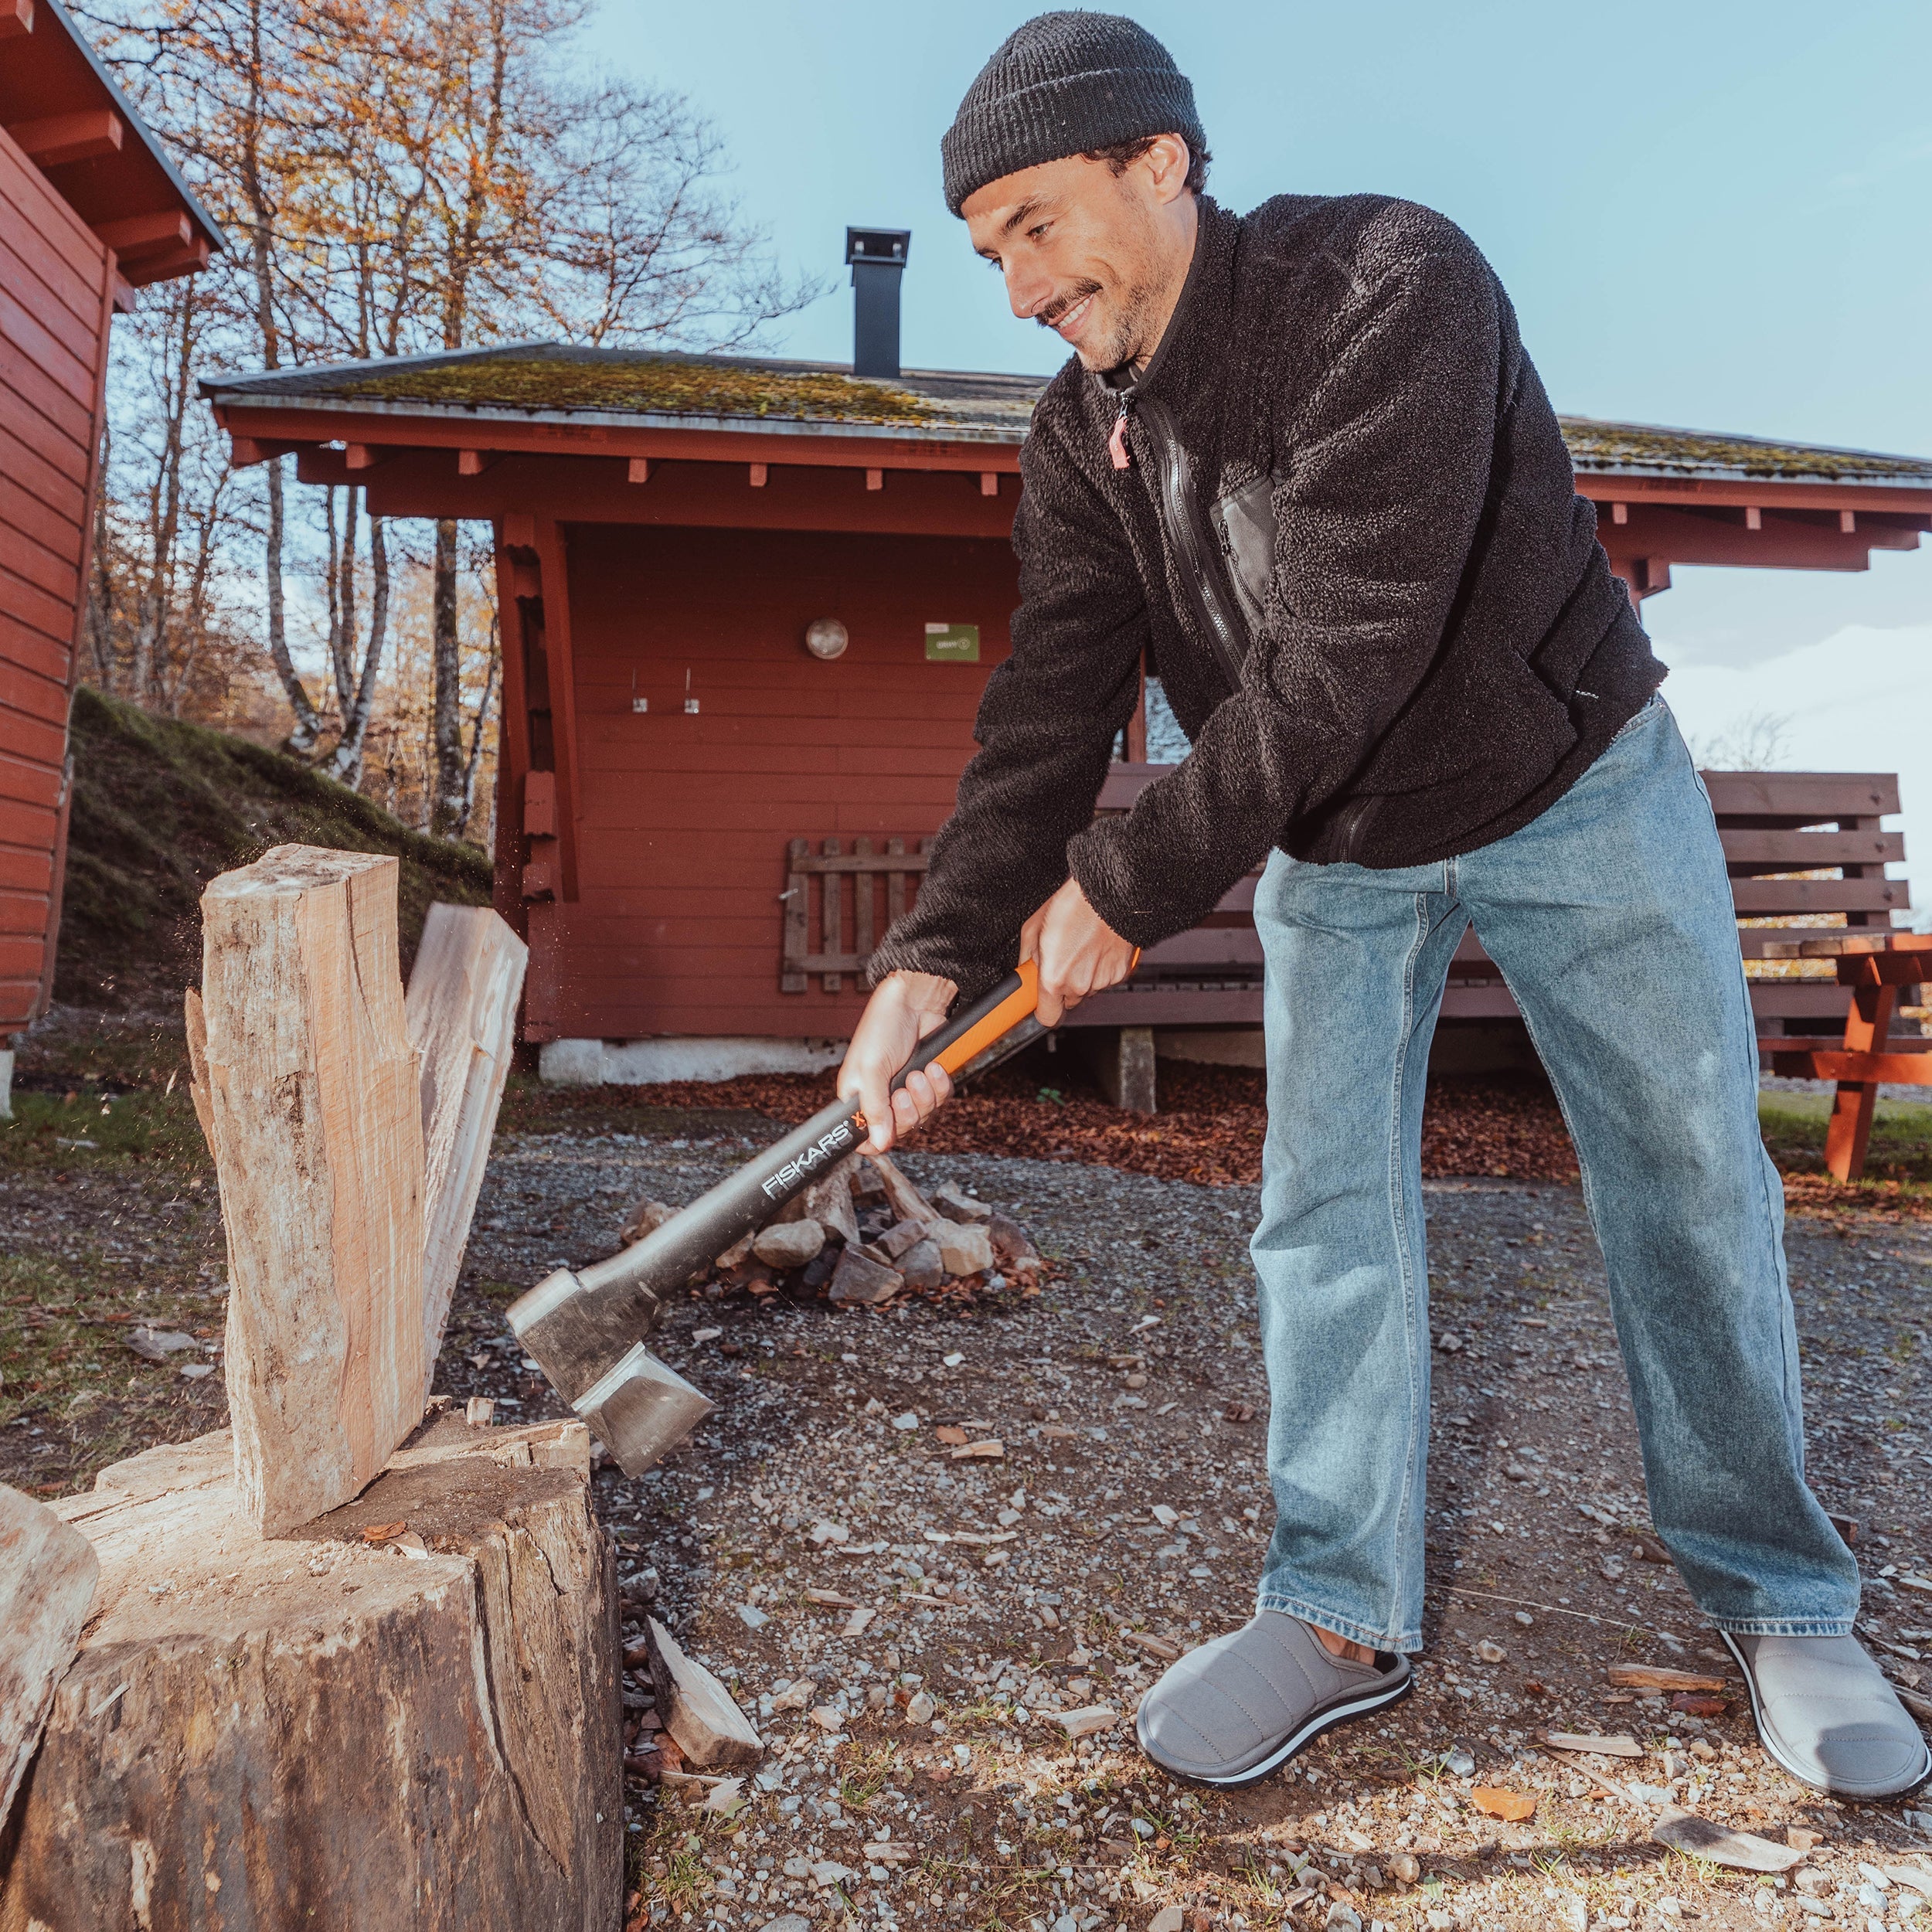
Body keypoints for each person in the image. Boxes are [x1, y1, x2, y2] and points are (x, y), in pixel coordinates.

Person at [838, 10, 1928, 1800]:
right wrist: (925, 957)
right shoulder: (1074, 438)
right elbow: (1045, 705)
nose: (1017, 285)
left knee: (1681, 1179)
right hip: (1332, 848)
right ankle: (1333, 1605)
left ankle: (1783, 1592)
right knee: (1320, 1211)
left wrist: (1125, 882)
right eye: (985, 253)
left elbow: (1350, 638)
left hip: (1565, 782)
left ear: (1157, 163)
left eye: (1037, 224)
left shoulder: (1385, 283)